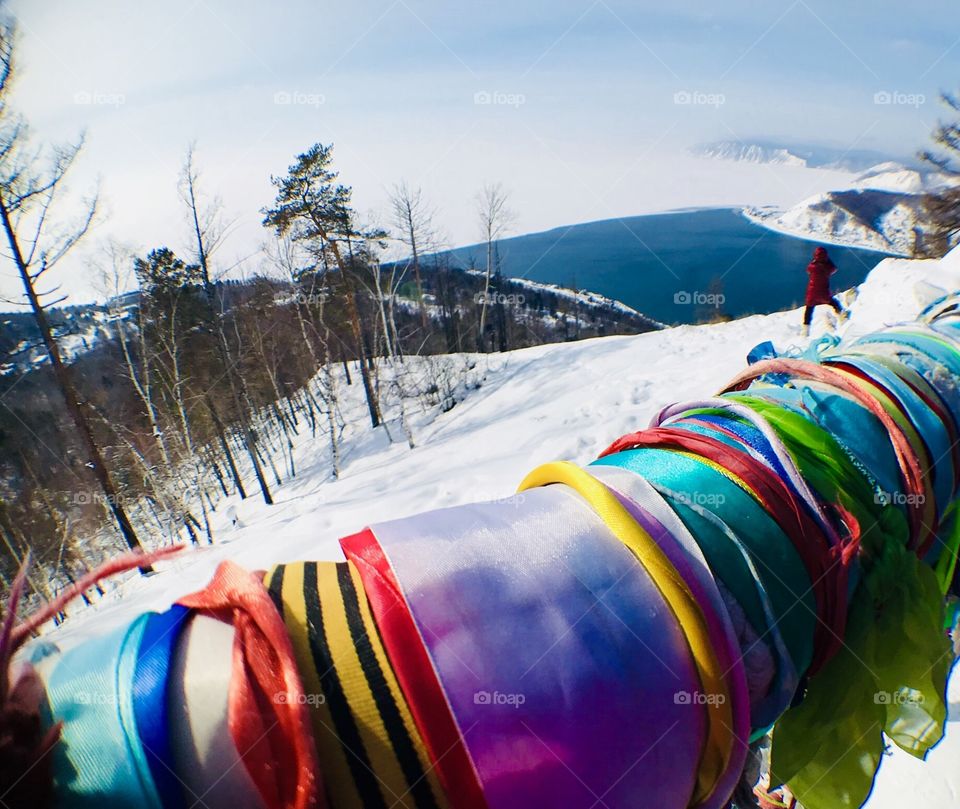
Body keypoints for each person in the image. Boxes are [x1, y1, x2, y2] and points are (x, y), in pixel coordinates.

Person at [802, 246, 846, 336]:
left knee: (809, 310)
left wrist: (815, 260)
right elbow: (834, 268)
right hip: (824, 294)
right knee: (835, 303)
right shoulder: (827, 268)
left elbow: (808, 270)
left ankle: (805, 331)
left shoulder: (812, 267)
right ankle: (843, 318)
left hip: (811, 295)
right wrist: (827, 260)